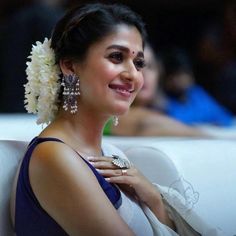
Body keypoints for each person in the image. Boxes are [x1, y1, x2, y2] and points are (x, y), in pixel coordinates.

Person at [10, 3, 223, 235]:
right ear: (70, 66)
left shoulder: (111, 154)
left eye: (139, 63)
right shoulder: (54, 157)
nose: (133, 75)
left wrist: (153, 197)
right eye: (116, 57)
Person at [104, 44, 208, 137]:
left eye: (150, 67)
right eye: (138, 65)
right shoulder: (105, 117)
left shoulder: (167, 111)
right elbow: (143, 125)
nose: (144, 73)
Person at [160, 48, 233, 127]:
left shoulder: (197, 93)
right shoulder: (163, 102)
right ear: (165, 79)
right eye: (175, 76)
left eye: (184, 73)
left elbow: (225, 118)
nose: (181, 79)